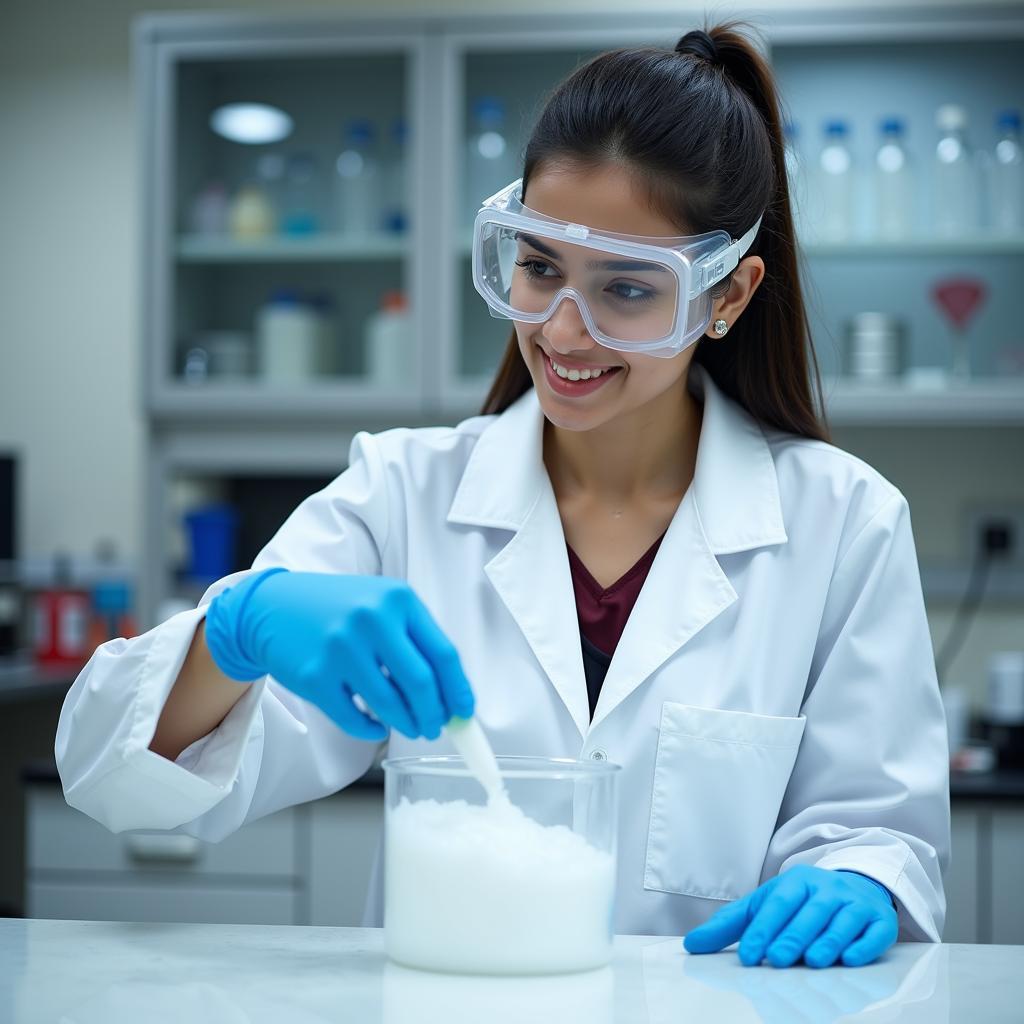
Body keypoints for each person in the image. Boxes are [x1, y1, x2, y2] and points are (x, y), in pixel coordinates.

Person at [56, 22, 949, 969]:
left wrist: (863, 876)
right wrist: (236, 631)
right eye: (538, 267)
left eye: (629, 291)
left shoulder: (843, 523)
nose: (564, 331)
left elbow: (879, 831)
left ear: (724, 297)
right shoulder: (403, 493)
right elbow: (112, 775)